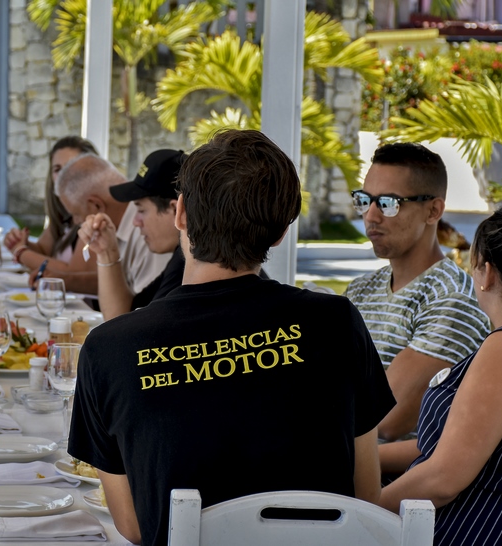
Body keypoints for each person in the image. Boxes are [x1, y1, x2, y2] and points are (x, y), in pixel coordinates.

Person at [68, 129, 396, 545]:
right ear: (280, 233)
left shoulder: (109, 349)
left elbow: (135, 526)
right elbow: (364, 495)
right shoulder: (336, 322)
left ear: (180, 213)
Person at [378, 206, 502, 545]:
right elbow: (457, 447)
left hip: (483, 529)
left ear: (487, 274)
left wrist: (364, 509)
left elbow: (443, 478)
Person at [344, 143, 489, 441]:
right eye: (364, 200)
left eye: (388, 203)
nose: (370, 216)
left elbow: (386, 421)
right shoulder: (359, 290)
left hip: (396, 483)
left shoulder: (452, 299)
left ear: (433, 210)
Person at [78, 149, 186, 320]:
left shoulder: (189, 266)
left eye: (141, 210)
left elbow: (135, 332)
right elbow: (122, 317)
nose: (135, 221)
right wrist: (107, 253)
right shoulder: (180, 258)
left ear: (174, 210)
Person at [50, 154, 172, 296]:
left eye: (75, 214)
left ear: (96, 205)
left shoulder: (151, 233)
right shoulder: (117, 230)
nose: (76, 221)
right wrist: (106, 254)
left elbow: (145, 313)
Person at [4, 136, 99, 289]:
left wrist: (21, 252)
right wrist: (21, 242)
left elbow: (73, 275)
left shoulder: (95, 214)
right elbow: (43, 250)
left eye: (71, 167)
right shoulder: (64, 213)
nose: (63, 175)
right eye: (57, 169)